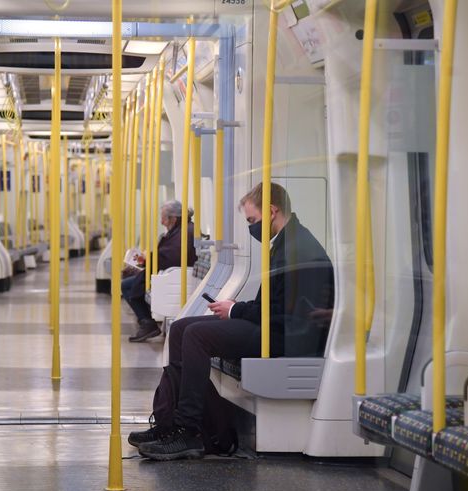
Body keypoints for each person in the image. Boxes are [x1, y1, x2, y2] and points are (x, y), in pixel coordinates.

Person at [130, 182, 335, 460]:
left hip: (288, 335)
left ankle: (189, 431)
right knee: (180, 328)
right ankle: (170, 424)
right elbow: (272, 305)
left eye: (252, 220)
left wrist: (236, 311)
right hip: (276, 326)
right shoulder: (287, 243)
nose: (252, 227)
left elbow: (282, 314)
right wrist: (236, 308)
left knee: (196, 336)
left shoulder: (297, 249)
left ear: (272, 211)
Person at [121, 200, 196, 342]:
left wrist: (148, 260)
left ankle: (147, 323)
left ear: (173, 218)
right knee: (128, 284)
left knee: (128, 285)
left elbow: (170, 257)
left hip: (172, 275)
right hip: (167, 272)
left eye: (163, 218)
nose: (162, 222)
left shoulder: (183, 233)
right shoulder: (180, 230)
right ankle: (146, 322)